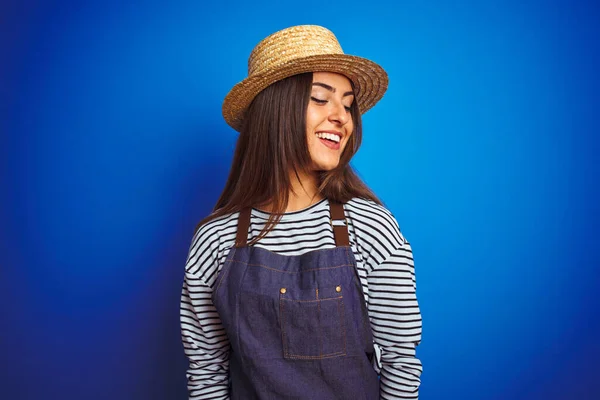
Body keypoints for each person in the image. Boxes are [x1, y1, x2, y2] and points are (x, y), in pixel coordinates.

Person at [180, 25, 422, 400]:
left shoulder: (370, 227)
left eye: (347, 103)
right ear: (275, 110)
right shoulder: (215, 239)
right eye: (320, 99)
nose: (342, 117)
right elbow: (207, 372)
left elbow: (401, 364)